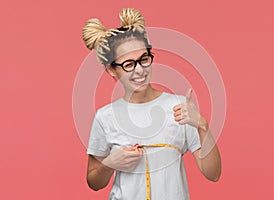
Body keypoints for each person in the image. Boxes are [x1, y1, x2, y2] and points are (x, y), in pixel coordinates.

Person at [82, 8, 221, 200]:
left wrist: (202, 126)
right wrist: (110, 164)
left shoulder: (179, 107)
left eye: (144, 59)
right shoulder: (105, 117)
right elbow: (94, 183)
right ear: (111, 70)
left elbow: (212, 174)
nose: (139, 70)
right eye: (128, 64)